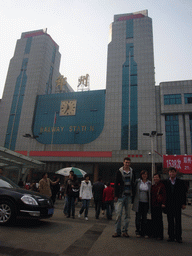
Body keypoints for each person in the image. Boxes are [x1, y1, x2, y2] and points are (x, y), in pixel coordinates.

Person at [112, 157, 135, 238]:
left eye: (128, 162)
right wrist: (116, 195)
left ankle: (125, 231)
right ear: (123, 163)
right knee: (118, 214)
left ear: (130, 163)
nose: (127, 164)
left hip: (129, 196)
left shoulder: (132, 171)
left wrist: (134, 195)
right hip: (121, 196)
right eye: (126, 162)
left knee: (127, 215)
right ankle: (117, 231)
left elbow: (133, 183)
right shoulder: (119, 172)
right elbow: (115, 184)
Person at [164, 167, 187, 243]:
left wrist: (184, 203)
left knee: (178, 221)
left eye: (173, 172)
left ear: (175, 173)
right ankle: (171, 236)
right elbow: (164, 194)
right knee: (170, 221)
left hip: (177, 204)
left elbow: (183, 193)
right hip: (169, 204)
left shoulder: (180, 182)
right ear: (169, 173)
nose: (172, 173)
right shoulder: (166, 182)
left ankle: (178, 237)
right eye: (170, 172)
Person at [132, 170, 151, 238]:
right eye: (143, 174)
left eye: (145, 174)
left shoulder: (149, 183)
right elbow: (133, 189)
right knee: (138, 217)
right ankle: (137, 231)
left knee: (144, 218)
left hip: (146, 203)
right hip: (138, 202)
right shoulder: (138, 182)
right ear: (141, 175)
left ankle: (144, 231)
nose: (144, 175)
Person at [151, 173, 166, 240]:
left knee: (159, 220)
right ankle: (154, 233)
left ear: (159, 178)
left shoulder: (162, 186)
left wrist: (163, 203)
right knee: (153, 220)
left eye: (157, 177)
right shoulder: (153, 186)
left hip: (159, 205)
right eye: (154, 177)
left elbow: (164, 195)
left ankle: (160, 235)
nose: (155, 179)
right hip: (153, 205)